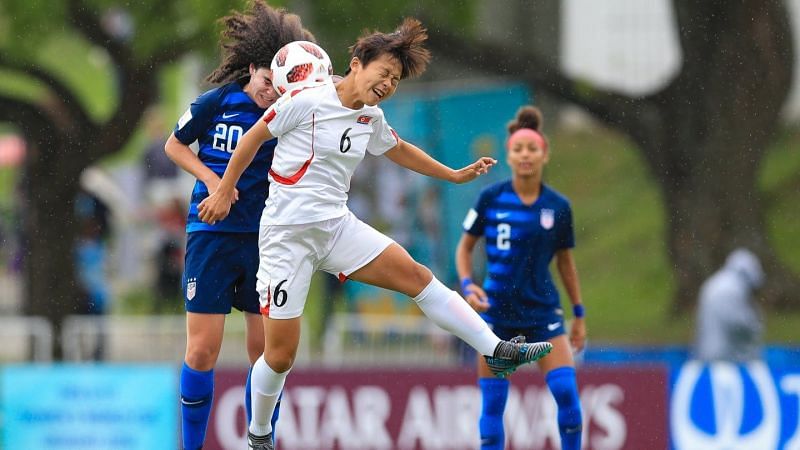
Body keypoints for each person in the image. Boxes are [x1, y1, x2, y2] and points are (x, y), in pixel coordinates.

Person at [197, 19, 554, 450]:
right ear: (355, 65)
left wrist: (453, 175)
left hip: (336, 228)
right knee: (280, 355)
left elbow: (400, 148)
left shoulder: (370, 116)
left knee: (418, 277)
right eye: (383, 73)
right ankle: (258, 434)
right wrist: (222, 190)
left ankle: (496, 349)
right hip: (286, 238)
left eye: (395, 79)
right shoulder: (307, 100)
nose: (388, 83)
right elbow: (252, 139)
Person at [163, 2, 315, 449]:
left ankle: (260, 441)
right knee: (201, 351)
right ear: (252, 69)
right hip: (211, 235)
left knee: (266, 356)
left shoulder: (289, 112)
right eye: (268, 81)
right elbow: (175, 145)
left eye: (281, 84)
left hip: (266, 242)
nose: (272, 91)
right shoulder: (218, 101)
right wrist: (214, 182)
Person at [455, 105, 586, 450]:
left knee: (568, 399)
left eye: (532, 149)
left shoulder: (558, 206)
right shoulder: (491, 198)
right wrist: (468, 285)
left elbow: (566, 263)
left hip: (543, 312)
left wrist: (579, 314)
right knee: (493, 412)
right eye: (518, 149)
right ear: (509, 155)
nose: (525, 155)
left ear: (544, 154)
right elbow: (464, 249)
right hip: (496, 314)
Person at [694, 247, 765, 362]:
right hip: (723, 357)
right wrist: (755, 324)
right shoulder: (732, 289)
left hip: (708, 350)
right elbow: (739, 325)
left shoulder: (717, 282)